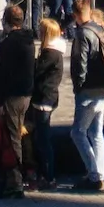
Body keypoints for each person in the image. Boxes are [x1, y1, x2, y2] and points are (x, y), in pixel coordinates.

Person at [67, 0, 104, 189]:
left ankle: (94, 175)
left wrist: (78, 86)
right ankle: (100, 173)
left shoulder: (82, 34)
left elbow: (81, 63)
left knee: (78, 132)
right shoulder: (101, 30)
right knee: (97, 133)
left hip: (88, 89)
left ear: (75, 15)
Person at [0, 4, 37, 197]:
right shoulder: (29, 41)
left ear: (7, 21)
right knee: (18, 135)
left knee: (12, 138)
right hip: (26, 94)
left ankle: (15, 181)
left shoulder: (9, 44)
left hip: (12, 96)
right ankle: (21, 175)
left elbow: (2, 74)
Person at [29, 14, 66, 190]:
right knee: (41, 138)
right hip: (49, 97)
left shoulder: (49, 53)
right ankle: (45, 174)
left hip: (44, 98)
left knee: (43, 140)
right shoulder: (54, 52)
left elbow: (36, 72)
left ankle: (48, 175)